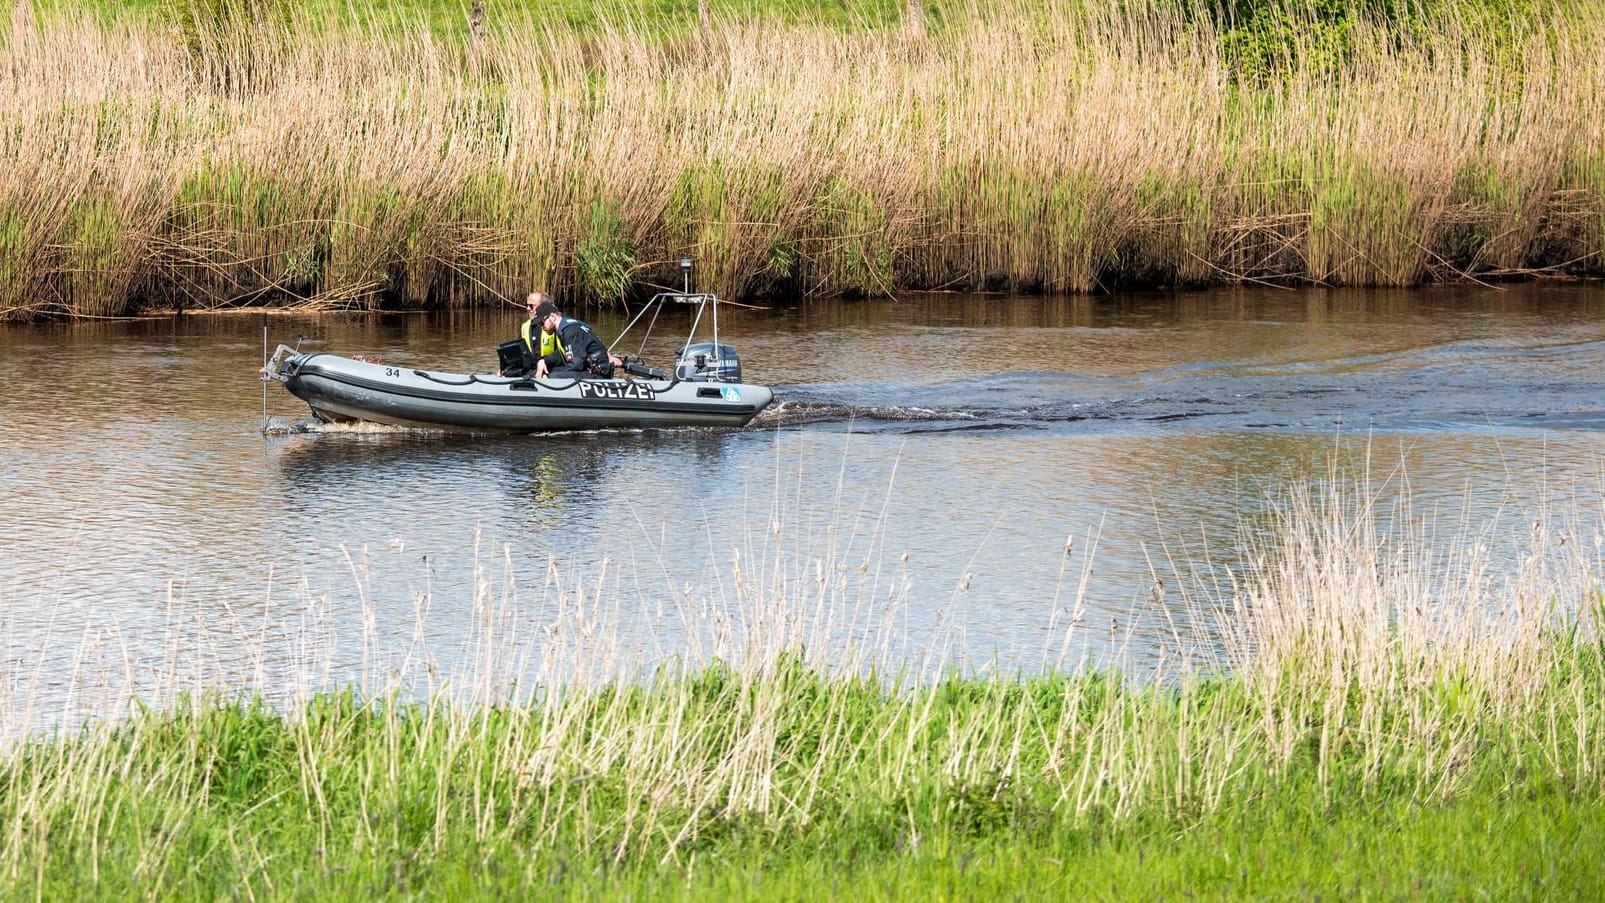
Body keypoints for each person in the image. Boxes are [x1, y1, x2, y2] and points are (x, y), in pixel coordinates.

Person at [513, 291, 623, 380]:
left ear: (553, 317)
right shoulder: (565, 326)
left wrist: (549, 375)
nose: (541, 327)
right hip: (591, 369)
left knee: (551, 376)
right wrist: (545, 362)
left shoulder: (569, 330)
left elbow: (577, 364)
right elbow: (567, 357)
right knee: (549, 373)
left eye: (542, 323)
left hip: (599, 374)